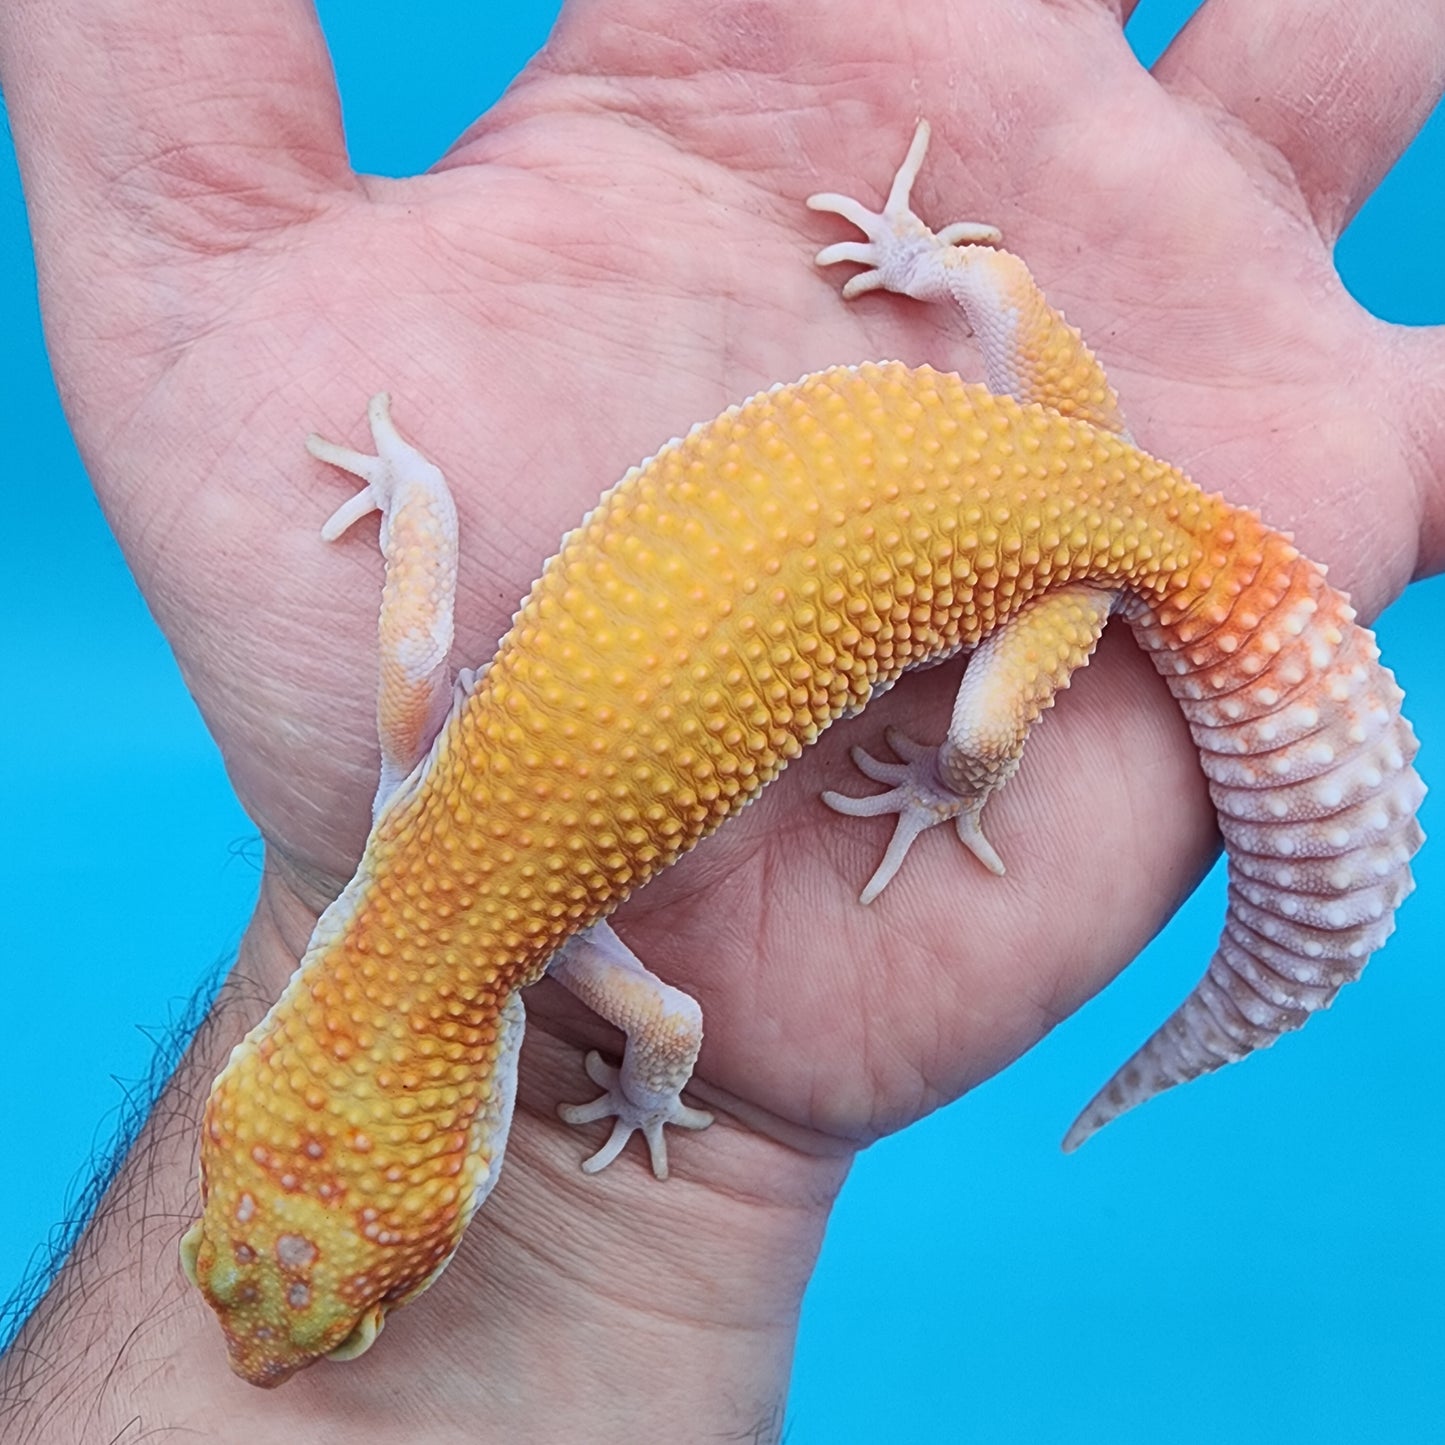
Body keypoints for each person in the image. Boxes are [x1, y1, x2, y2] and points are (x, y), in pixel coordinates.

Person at [2, 0, 1441, 1437]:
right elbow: (416, 616)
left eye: (235, 1255)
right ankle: (952, 279)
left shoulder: (574, 953)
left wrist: (955, 784)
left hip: (1073, 549)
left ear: (471, 1152)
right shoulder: (410, 762)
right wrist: (404, 488)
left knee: (972, 739)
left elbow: (664, 1034)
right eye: (351, 1308)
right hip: (1034, 444)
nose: (262, 1350)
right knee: (977, 602)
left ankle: (959, 768)